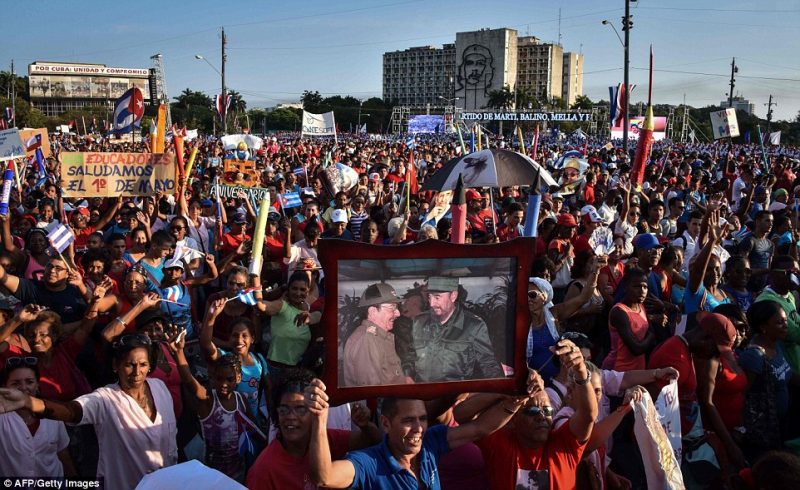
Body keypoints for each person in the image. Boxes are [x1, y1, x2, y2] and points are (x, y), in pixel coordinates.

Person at [304, 368, 549, 489]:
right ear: (386, 424)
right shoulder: (368, 463)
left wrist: (516, 400)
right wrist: (319, 419)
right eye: (408, 420)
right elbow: (324, 478)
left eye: (422, 418)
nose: (419, 428)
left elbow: (480, 428)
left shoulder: (430, 444)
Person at [0, 333, 178, 490]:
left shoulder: (160, 388)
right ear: (115, 365)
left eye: (143, 364)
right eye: (129, 365)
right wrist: (28, 402)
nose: (137, 372)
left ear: (150, 366)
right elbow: (72, 411)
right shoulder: (105, 399)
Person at [459, 338, 599, 489]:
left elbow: (588, 414)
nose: (541, 416)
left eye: (547, 410)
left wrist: (580, 370)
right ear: (512, 420)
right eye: (532, 411)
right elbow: (462, 415)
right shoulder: (499, 442)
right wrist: (506, 392)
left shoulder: (563, 444)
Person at [246, 369, 382, 490]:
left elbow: (373, 441)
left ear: (314, 412)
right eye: (284, 410)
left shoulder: (327, 439)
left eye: (300, 409)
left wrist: (365, 425)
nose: (291, 417)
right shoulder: (264, 470)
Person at [406, 275, 503, 382]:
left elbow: (488, 364)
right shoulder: (419, 322)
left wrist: (500, 391)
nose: (432, 303)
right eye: (429, 297)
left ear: (453, 296)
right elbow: (409, 354)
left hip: (454, 395)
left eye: (437, 297)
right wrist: (407, 375)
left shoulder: (473, 326)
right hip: (422, 392)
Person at [0, 356, 76, 478]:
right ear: (5, 387)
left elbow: (63, 454)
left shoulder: (52, 413)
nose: (24, 388)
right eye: (15, 383)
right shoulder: (2, 419)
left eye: (29, 382)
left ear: (37, 385)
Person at [342, 282, 409, 387]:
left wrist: (404, 381)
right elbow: (373, 393)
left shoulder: (378, 337)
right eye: (392, 307)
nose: (398, 313)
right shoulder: (367, 340)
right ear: (373, 311)